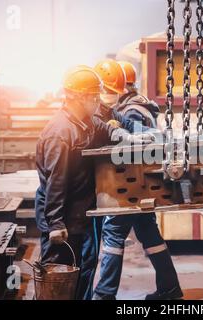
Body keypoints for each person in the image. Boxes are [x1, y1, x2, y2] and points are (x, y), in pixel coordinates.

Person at [35, 65, 152, 300]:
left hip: (82, 213)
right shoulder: (61, 133)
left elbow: (102, 128)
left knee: (84, 270)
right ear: (78, 97)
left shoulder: (84, 121)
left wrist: (126, 136)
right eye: (93, 96)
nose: (97, 101)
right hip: (63, 217)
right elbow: (55, 183)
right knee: (59, 279)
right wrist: (56, 223)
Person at [92, 60, 183, 300]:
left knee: (113, 234)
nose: (106, 96)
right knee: (150, 235)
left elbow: (132, 150)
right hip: (142, 185)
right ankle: (170, 288)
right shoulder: (142, 105)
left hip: (130, 183)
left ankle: (104, 295)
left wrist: (117, 136)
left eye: (109, 91)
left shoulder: (131, 110)